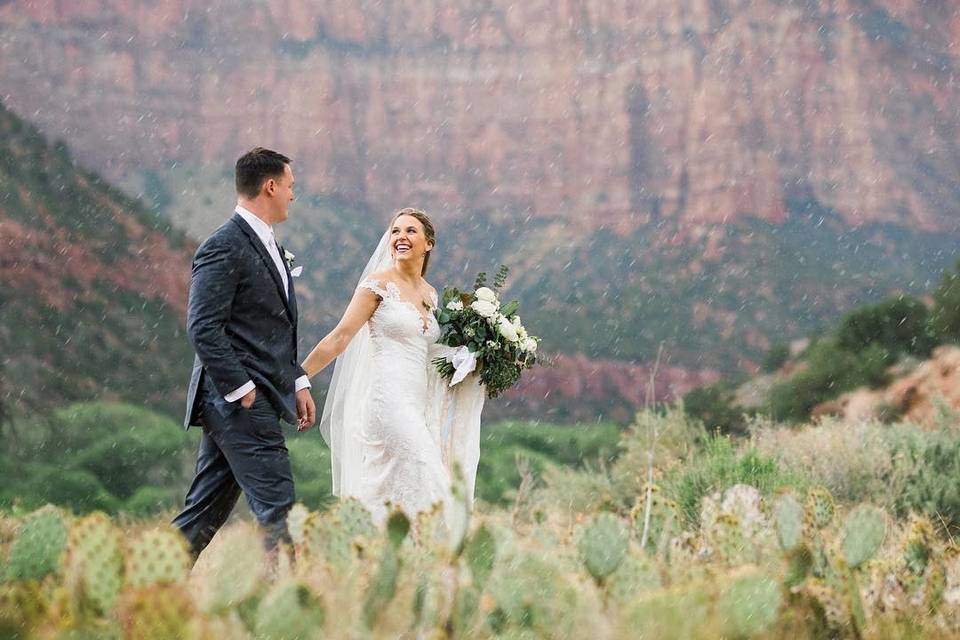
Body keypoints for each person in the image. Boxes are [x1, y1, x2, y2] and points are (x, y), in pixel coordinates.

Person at [172, 147, 316, 559]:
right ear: (270, 186)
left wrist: (298, 380)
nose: (293, 195)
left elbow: (269, 330)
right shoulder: (224, 245)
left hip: (249, 398)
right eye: (290, 187)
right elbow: (203, 326)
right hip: (239, 402)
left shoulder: (266, 242)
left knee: (205, 511)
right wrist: (242, 389)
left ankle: (149, 592)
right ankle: (286, 610)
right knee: (279, 509)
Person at [302, 208, 484, 524]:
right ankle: (442, 558)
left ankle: (379, 555)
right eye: (396, 231)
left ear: (429, 243)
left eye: (411, 231)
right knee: (429, 474)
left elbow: (427, 352)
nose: (400, 237)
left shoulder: (431, 295)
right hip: (386, 400)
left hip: (417, 403)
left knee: (390, 490)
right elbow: (340, 337)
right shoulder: (378, 285)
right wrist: (297, 377)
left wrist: (473, 356)